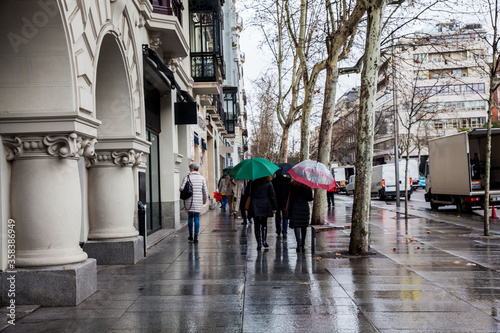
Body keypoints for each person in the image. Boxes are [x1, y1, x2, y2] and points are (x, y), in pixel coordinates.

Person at [179, 163, 208, 244]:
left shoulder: (187, 177)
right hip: (198, 201)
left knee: (190, 217)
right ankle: (196, 238)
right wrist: (204, 200)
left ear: (192, 169)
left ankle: (190, 235)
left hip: (189, 200)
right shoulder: (202, 178)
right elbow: (205, 191)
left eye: (189, 168)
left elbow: (181, 188)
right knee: (197, 217)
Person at [248, 176, 277, 250]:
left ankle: (259, 243)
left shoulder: (254, 183)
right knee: (264, 223)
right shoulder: (269, 183)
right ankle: (264, 240)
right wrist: (274, 207)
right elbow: (272, 196)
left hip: (255, 205)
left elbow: (250, 194)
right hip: (265, 205)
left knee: (256, 224)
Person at [287, 180, 314, 252]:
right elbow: (310, 198)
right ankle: (303, 244)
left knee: (297, 226)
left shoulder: (292, 185)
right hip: (304, 208)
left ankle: (298, 243)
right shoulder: (307, 186)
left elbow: (289, 196)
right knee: (304, 226)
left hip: (295, 207)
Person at [272, 174, 291, 238]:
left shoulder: (274, 181)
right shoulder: (287, 180)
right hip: (285, 202)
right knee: (285, 216)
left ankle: (278, 230)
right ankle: (284, 231)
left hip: (276, 202)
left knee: (277, 216)